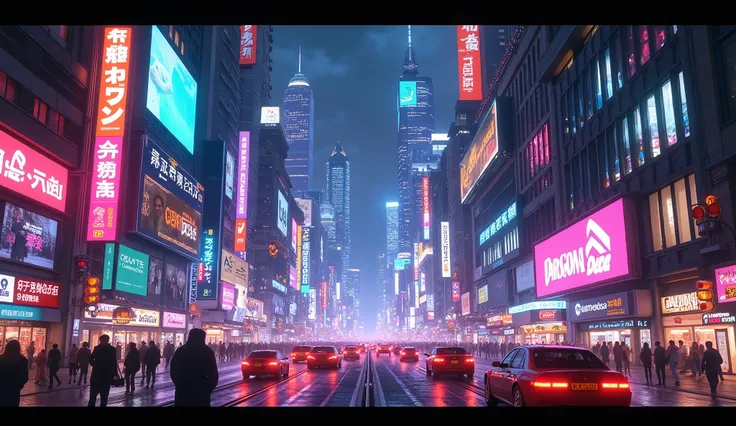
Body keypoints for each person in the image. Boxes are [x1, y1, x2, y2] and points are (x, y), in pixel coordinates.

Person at [170, 328, 219, 406]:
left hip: (183, 393)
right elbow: (213, 374)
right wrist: (207, 389)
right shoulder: (207, 352)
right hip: (201, 393)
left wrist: (180, 385)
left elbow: (173, 371)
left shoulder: (180, 351)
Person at [88, 334, 117, 407]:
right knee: (103, 398)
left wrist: (95, 365)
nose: (105, 341)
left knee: (94, 397)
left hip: (98, 375)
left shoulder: (98, 348)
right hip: (105, 375)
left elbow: (91, 359)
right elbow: (114, 362)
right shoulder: (111, 349)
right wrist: (114, 373)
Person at [0, 340, 29, 407]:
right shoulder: (22, 360)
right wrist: (18, 386)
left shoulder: (1, 359)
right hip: (14, 391)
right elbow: (25, 377)